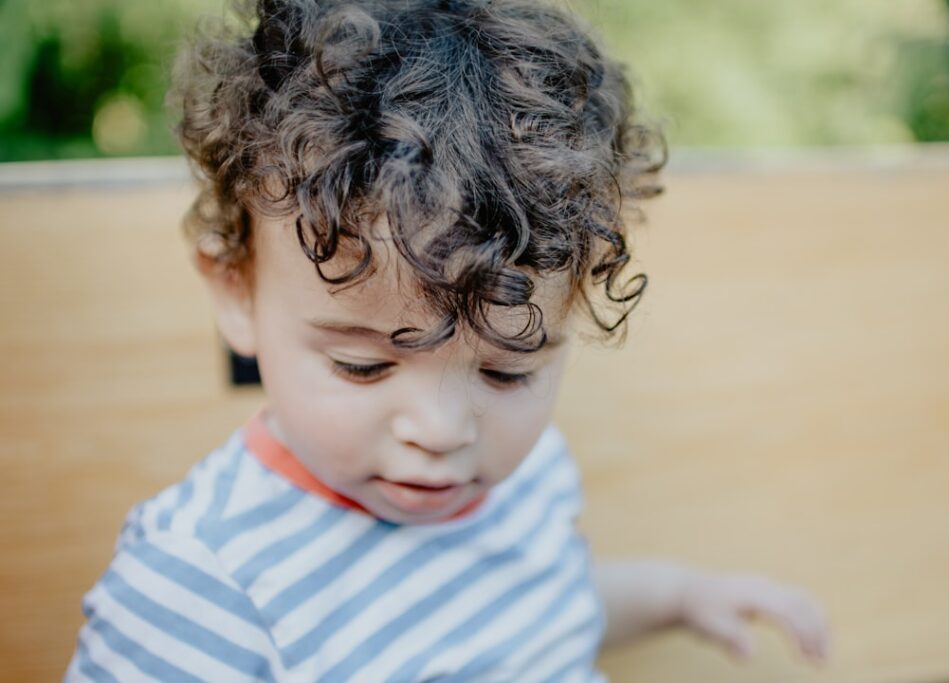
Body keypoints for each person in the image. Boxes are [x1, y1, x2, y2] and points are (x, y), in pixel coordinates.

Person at [65, 0, 829, 680]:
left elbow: (530, 609)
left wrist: (680, 597)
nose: (442, 432)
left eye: (507, 374)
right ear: (236, 290)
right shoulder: (201, 583)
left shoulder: (519, 473)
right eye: (362, 365)